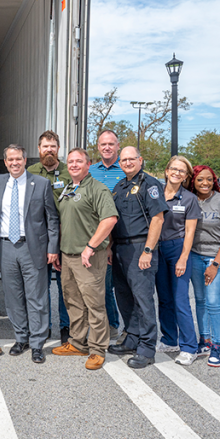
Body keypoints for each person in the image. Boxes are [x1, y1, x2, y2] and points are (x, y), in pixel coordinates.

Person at [0, 144, 59, 364]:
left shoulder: (41, 183)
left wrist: (53, 248)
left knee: (36, 297)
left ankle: (37, 343)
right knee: (13, 297)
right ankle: (21, 338)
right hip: (6, 247)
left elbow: (52, 219)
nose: (14, 163)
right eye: (10, 159)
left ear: (25, 160)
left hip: (33, 248)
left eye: (18, 159)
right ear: (5, 162)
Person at [50, 148, 118, 370]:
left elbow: (109, 220)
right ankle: (77, 343)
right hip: (68, 256)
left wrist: (90, 247)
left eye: (79, 161)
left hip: (89, 257)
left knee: (94, 304)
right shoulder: (68, 188)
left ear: (89, 165)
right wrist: (60, 250)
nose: (74, 165)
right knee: (73, 302)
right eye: (70, 162)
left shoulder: (97, 189)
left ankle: (97, 349)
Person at [108, 146, 168, 369]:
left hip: (140, 248)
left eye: (131, 159)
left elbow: (158, 219)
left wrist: (148, 251)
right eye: (123, 160)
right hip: (120, 249)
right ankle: (132, 337)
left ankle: (146, 347)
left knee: (143, 300)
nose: (127, 163)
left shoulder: (149, 184)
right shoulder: (119, 186)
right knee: (124, 296)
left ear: (140, 160)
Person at [190, 165, 220, 367]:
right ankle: (205, 340)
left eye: (209, 179)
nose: (205, 183)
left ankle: (217, 346)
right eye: (200, 179)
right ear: (193, 180)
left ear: (214, 181)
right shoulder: (190, 199)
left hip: (219, 257)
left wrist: (215, 264)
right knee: (200, 300)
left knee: (213, 301)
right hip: (195, 255)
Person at [27, 130, 72, 343]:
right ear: (39, 149)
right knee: (40, 286)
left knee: (65, 286)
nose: (49, 150)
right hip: (39, 238)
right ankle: (43, 327)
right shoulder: (30, 171)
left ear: (58, 149)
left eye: (53, 146)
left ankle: (66, 327)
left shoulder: (68, 172)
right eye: (45, 146)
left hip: (64, 237)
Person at [157, 156, 201, 366]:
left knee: (180, 299)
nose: (177, 173)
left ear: (186, 176)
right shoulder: (155, 194)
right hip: (158, 249)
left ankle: (189, 347)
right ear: (166, 171)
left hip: (178, 248)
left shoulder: (189, 199)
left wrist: (183, 258)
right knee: (164, 298)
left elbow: (190, 232)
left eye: (182, 171)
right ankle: (169, 339)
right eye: (174, 168)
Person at [89, 129, 125, 340]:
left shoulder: (126, 168)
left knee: (125, 287)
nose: (107, 147)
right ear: (98, 147)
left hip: (125, 236)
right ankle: (110, 327)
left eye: (111, 144)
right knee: (104, 286)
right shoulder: (91, 170)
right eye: (103, 144)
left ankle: (128, 328)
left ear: (117, 146)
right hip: (101, 239)